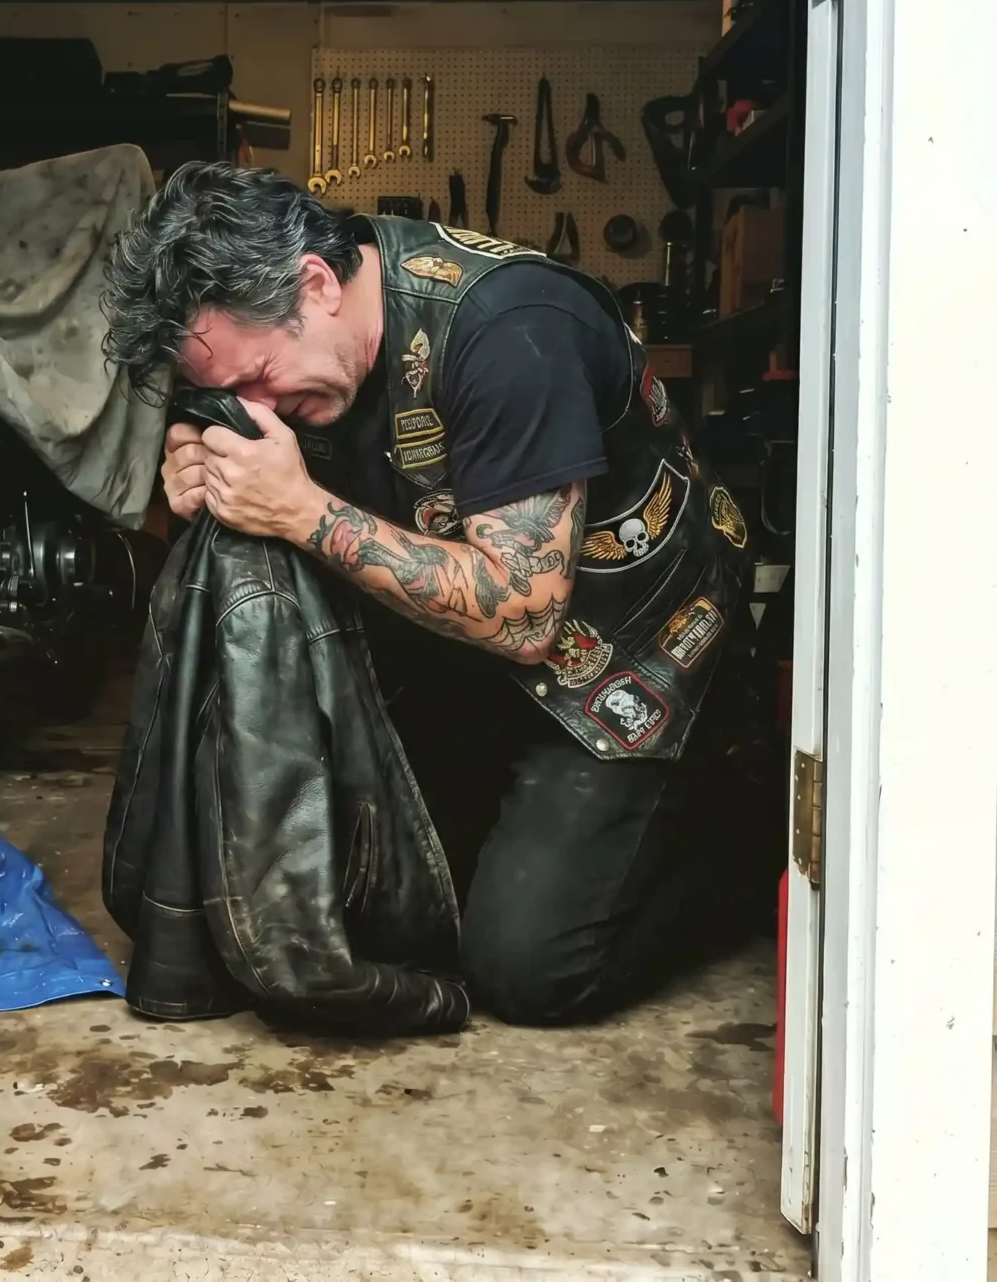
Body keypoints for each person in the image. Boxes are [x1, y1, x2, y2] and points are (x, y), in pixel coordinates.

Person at [102, 162, 772, 1026]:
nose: (253, 409)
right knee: (369, 910)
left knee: (525, 971)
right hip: (458, 658)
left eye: (259, 379)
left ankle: (738, 826)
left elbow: (526, 612)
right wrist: (204, 467)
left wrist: (300, 508)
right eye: (227, 393)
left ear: (316, 284)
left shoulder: (511, 330)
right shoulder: (304, 360)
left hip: (630, 664)